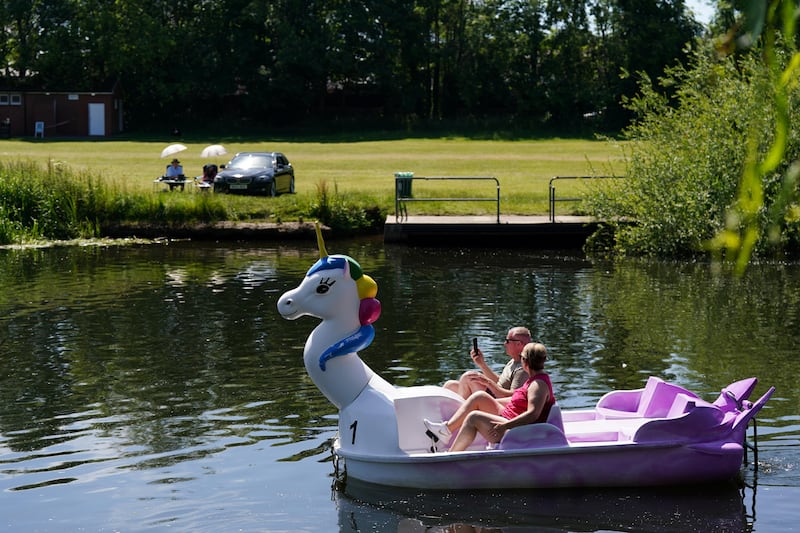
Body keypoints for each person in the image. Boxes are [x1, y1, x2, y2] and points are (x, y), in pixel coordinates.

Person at [424, 342, 555, 452]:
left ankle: (451, 455)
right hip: (508, 417)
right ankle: (445, 430)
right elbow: (515, 397)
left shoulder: (538, 385)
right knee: (479, 397)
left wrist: (505, 426)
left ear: (524, 361)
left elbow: (532, 414)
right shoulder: (534, 380)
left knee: (473, 417)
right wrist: (489, 392)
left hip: (516, 429)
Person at [443, 326, 531, 399]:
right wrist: (481, 364)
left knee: (469, 378)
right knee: (450, 385)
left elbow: (514, 396)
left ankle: (460, 414)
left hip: (498, 402)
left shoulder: (522, 368)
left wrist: (487, 383)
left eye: (508, 341)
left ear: (519, 344)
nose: (504, 344)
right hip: (495, 394)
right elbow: (499, 382)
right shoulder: (513, 361)